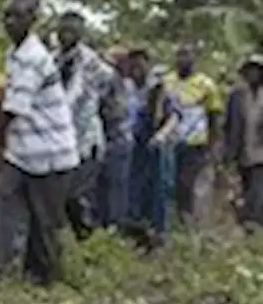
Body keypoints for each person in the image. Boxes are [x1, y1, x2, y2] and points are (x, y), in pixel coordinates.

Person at [0, 0, 79, 286]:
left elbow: (13, 109)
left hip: (49, 152)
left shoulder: (33, 58)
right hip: (24, 151)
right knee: (1, 197)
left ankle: (46, 278)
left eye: (17, 16)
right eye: (6, 16)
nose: (9, 22)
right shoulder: (15, 54)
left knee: (45, 220)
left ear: (32, 20)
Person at [54, 11, 123, 239]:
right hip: (59, 141)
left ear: (81, 34)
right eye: (63, 30)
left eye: (72, 31)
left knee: (76, 195)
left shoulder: (91, 64)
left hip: (85, 140)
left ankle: (88, 238)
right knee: (60, 197)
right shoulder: (53, 60)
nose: (66, 35)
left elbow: (94, 94)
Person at [123, 48, 180, 249]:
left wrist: (161, 135)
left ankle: (159, 236)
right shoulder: (127, 88)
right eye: (132, 63)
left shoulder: (159, 88)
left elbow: (174, 116)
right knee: (134, 190)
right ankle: (138, 234)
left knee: (159, 190)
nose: (136, 67)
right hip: (133, 146)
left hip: (156, 145)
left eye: (140, 63)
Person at [164, 43, 223, 228]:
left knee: (187, 183)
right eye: (180, 55)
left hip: (195, 143)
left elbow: (214, 116)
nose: (183, 59)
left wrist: (212, 145)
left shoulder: (206, 84)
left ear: (194, 59)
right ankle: (169, 221)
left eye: (187, 55)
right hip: (170, 141)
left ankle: (187, 221)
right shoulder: (167, 81)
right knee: (168, 183)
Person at [95, 46, 134, 229]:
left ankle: (114, 225)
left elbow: (116, 113)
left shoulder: (116, 82)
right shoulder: (118, 82)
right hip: (107, 138)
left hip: (116, 138)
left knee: (115, 185)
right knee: (102, 186)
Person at [223, 55, 263, 232]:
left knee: (257, 192)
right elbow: (230, 125)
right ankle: (248, 226)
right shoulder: (236, 95)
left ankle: (253, 225)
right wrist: (227, 152)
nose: (253, 74)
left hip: (261, 154)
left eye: (256, 70)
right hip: (243, 153)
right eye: (250, 70)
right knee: (245, 191)